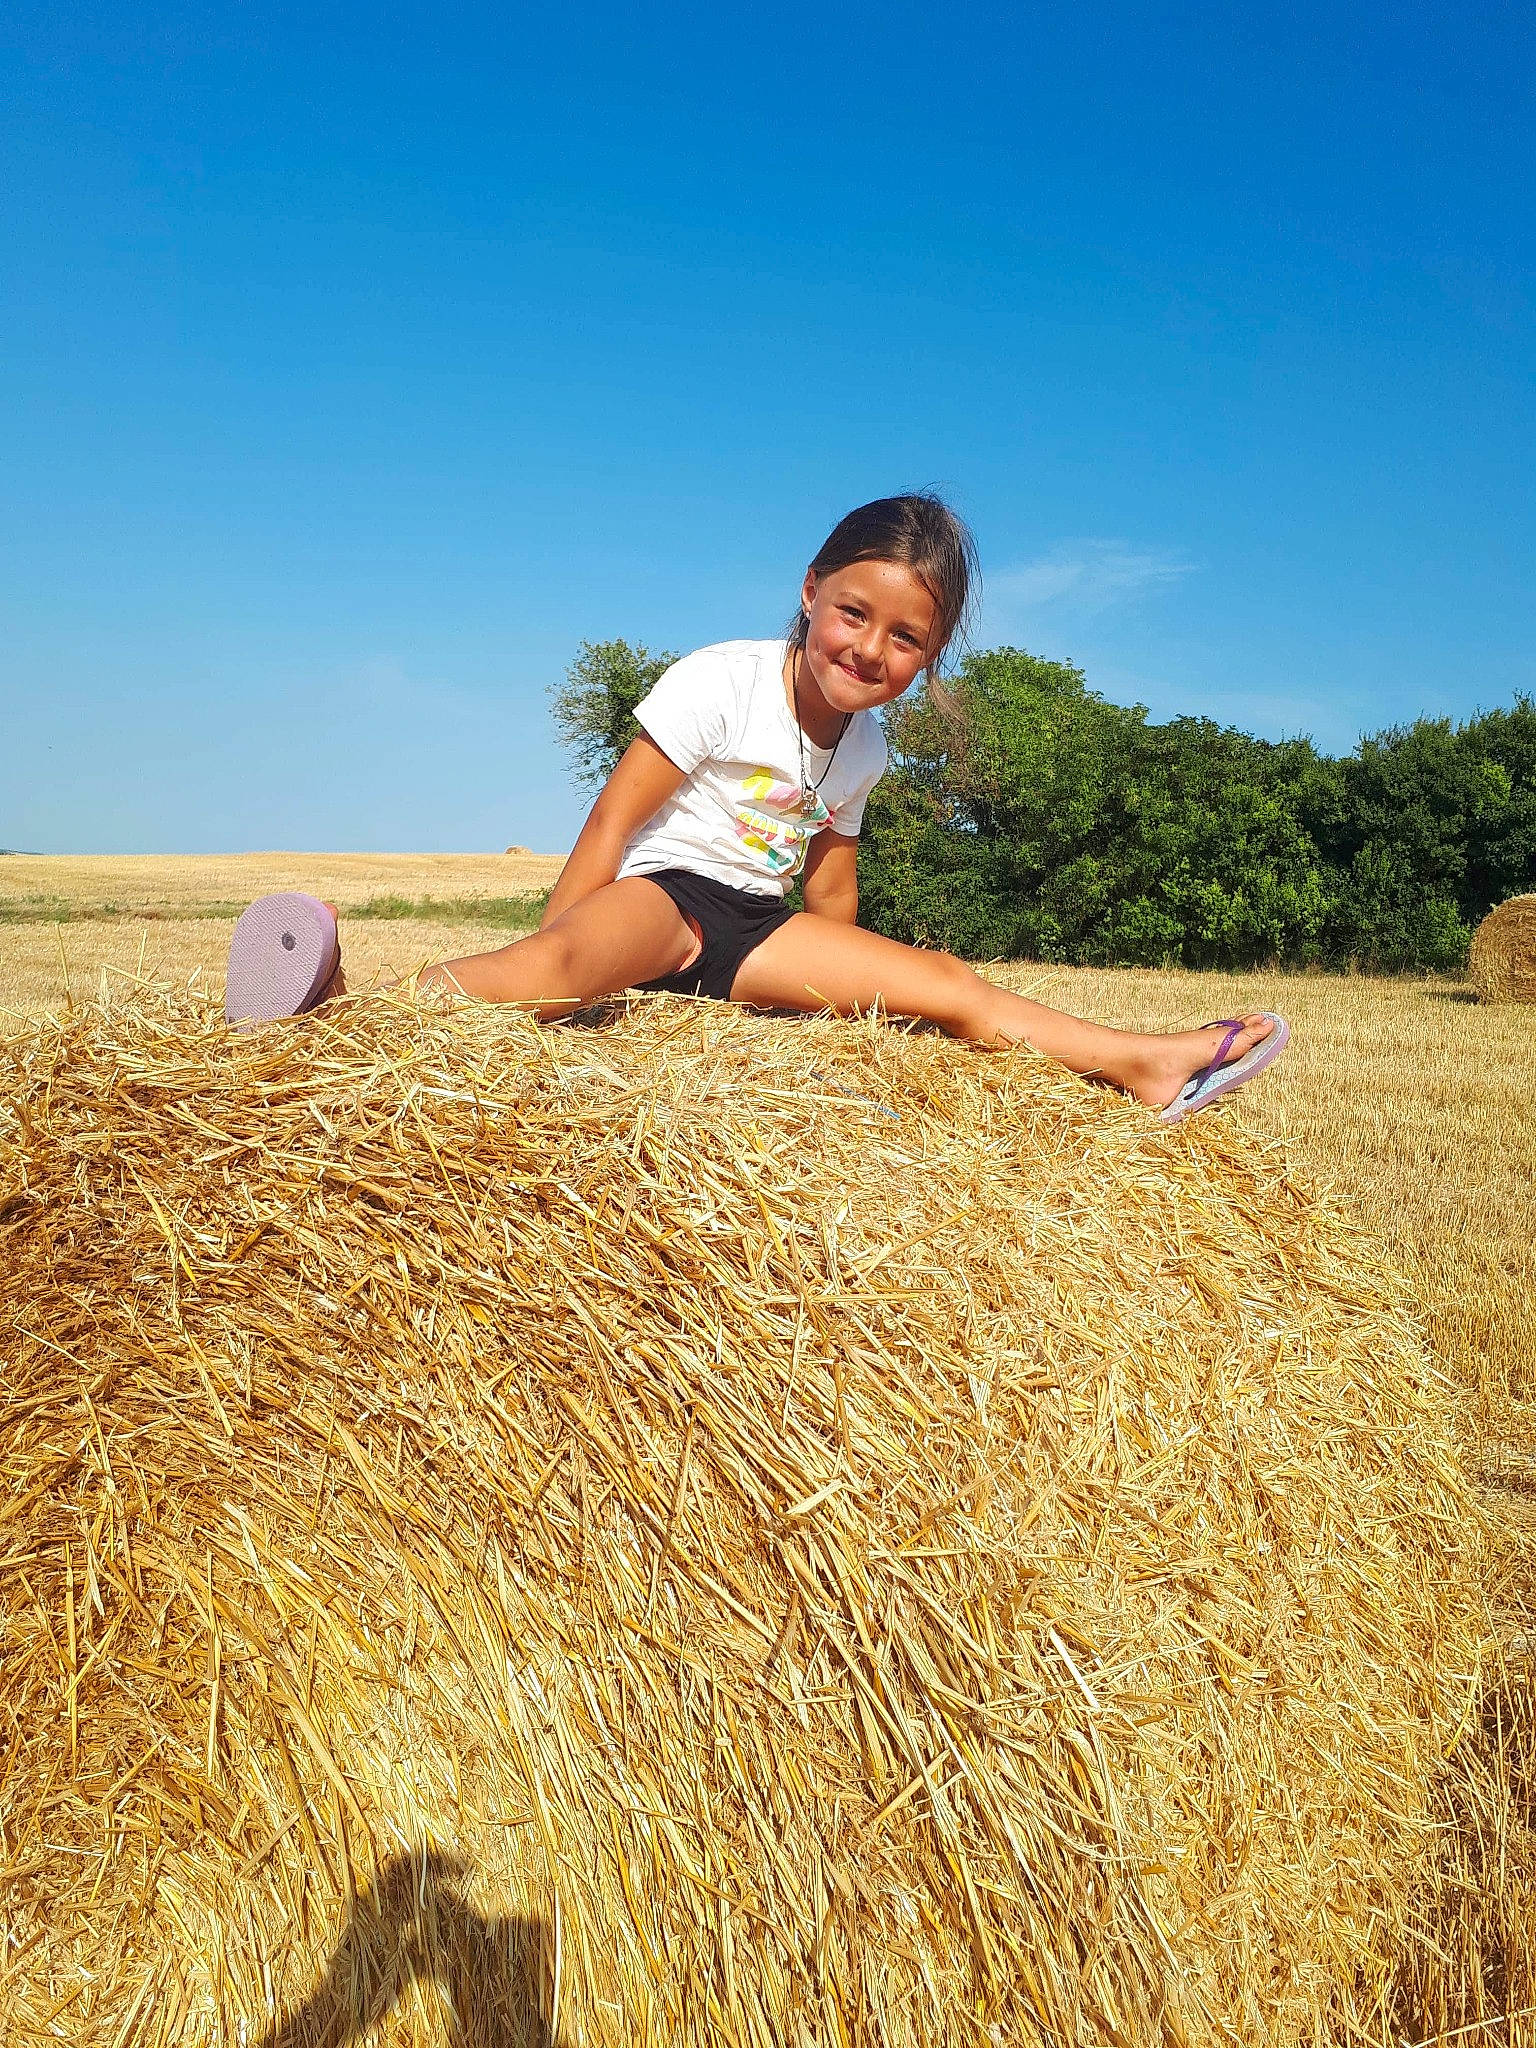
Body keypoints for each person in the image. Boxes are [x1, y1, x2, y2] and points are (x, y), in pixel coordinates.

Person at [224, 494, 1288, 1123]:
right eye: (854, 614)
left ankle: (1142, 1061)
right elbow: (609, 823)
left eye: (906, 638)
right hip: (666, 897)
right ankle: (343, 1021)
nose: (869, 649)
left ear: (931, 652)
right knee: (551, 976)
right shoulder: (719, 682)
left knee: (954, 987)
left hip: (755, 932)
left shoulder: (864, 747)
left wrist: (854, 1008)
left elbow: (830, 892)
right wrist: (566, 943)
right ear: (812, 589)